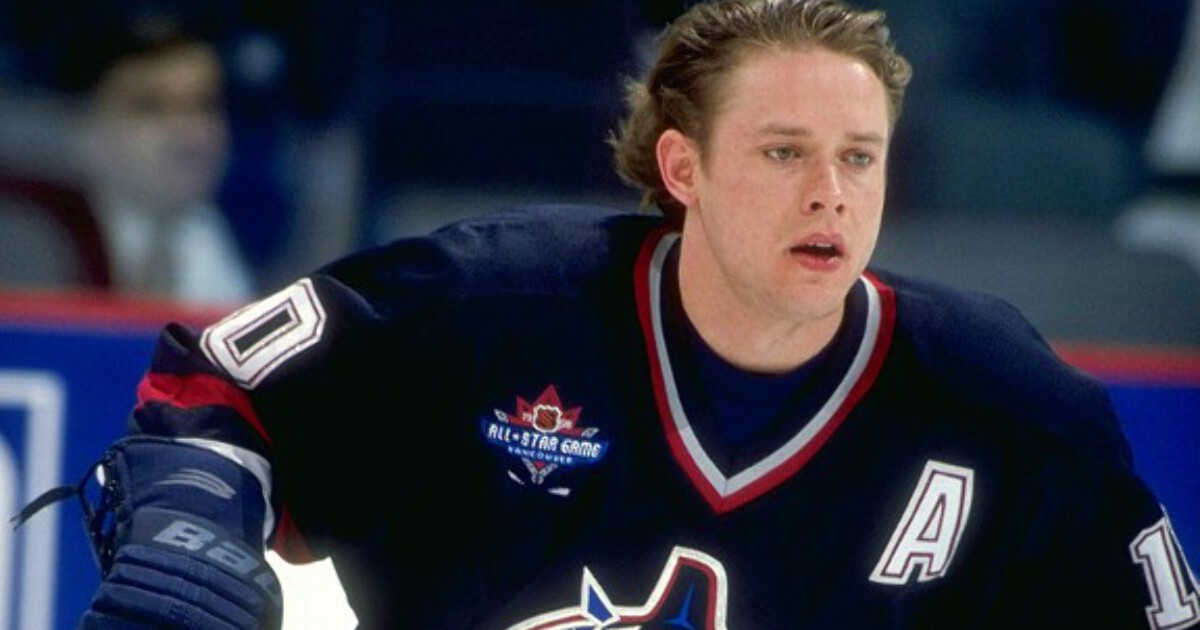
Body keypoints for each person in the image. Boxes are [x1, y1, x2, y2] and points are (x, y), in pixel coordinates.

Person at [11, 0, 1198, 627]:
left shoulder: (1003, 406)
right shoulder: (494, 304)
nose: (830, 193)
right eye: (783, 151)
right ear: (683, 168)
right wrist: (194, 526)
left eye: (859, 156)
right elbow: (221, 377)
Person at [63, 11, 256, 304]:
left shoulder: (211, 240)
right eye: (150, 107)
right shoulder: (42, 240)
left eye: (204, 105)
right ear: (87, 131)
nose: (189, 134)